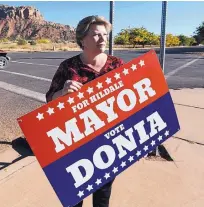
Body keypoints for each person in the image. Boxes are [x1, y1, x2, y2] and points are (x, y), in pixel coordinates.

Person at [46, 15, 124, 207]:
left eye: (105, 34)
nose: (103, 39)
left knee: (103, 194)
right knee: (74, 195)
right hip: (76, 142)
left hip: (108, 140)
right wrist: (62, 93)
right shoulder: (68, 67)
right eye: (96, 35)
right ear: (82, 40)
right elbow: (49, 99)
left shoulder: (117, 65)